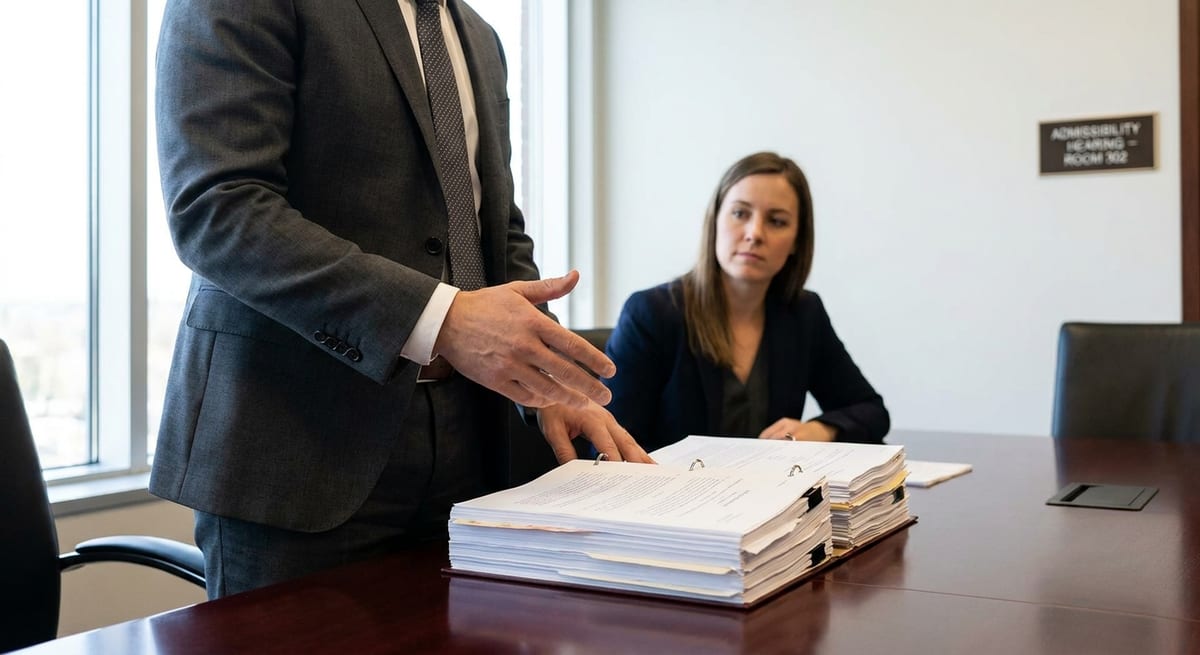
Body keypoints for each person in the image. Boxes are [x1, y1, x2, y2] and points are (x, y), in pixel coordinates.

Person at [151, 0, 649, 599]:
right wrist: (440, 320)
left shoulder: (480, 38)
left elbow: (492, 231)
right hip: (298, 449)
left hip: (474, 450)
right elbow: (219, 208)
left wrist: (548, 381)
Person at [604, 152, 890, 453]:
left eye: (777, 221)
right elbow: (608, 442)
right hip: (670, 495)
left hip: (772, 496)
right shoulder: (651, 313)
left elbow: (871, 411)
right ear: (715, 221)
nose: (754, 234)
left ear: (796, 241)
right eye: (740, 214)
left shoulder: (802, 313)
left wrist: (821, 429)